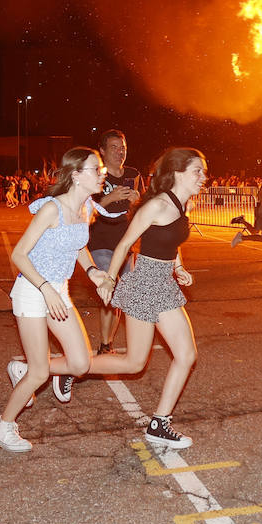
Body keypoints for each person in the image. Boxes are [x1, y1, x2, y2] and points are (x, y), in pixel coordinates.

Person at [0, 147, 118, 452]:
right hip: (34, 289)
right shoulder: (52, 209)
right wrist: (47, 289)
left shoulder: (86, 207)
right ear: (76, 175)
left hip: (58, 290)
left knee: (79, 363)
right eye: (96, 169)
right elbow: (19, 255)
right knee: (39, 371)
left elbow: (78, 247)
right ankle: (4, 426)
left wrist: (93, 273)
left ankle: (25, 369)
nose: (102, 174)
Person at [86, 147, 205, 449]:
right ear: (178, 173)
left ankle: (159, 422)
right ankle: (60, 368)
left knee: (186, 354)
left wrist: (179, 268)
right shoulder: (156, 205)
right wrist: (110, 280)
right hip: (142, 284)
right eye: (197, 171)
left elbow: (171, 241)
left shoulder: (184, 205)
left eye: (204, 172)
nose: (203, 177)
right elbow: (126, 243)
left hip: (163, 285)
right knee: (133, 362)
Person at [86, 129, 142, 355]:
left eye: (123, 148)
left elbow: (142, 211)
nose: (120, 152)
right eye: (114, 148)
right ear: (102, 150)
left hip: (126, 244)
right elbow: (85, 211)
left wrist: (138, 201)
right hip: (100, 242)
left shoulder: (134, 174)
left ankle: (107, 343)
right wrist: (110, 198)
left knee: (124, 294)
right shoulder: (97, 176)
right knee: (110, 289)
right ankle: (104, 343)